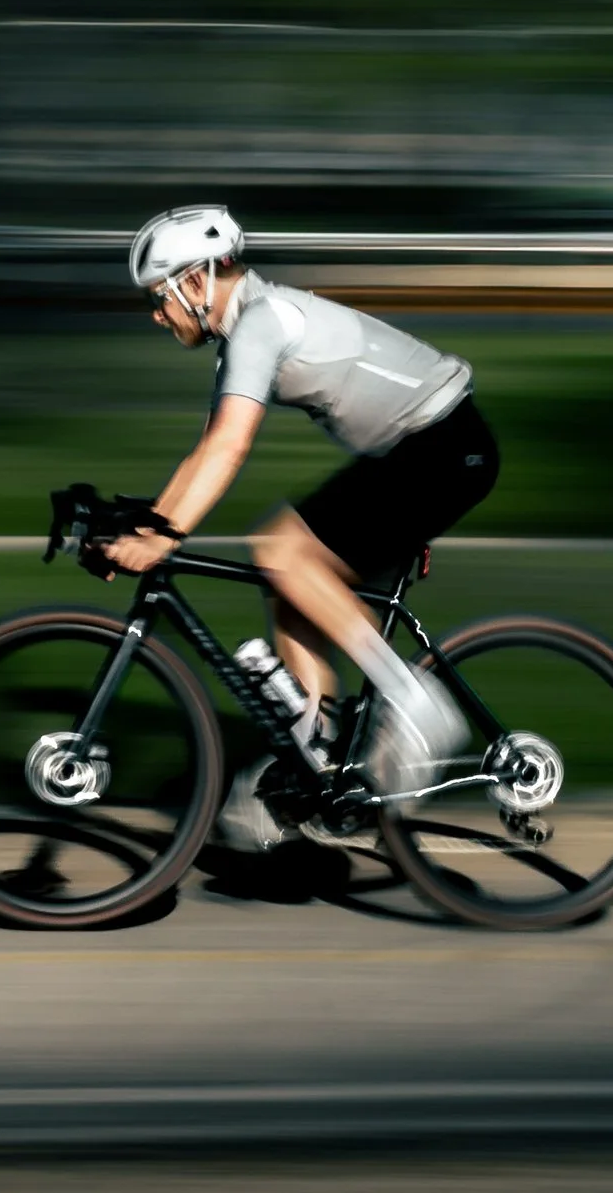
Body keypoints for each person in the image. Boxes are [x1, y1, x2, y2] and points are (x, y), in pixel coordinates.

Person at [97, 205, 500, 846]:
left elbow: (230, 448)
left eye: (159, 297)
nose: (156, 314)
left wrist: (164, 540)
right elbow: (206, 449)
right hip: (424, 453)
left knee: (281, 550)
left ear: (195, 283)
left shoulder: (262, 323)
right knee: (288, 578)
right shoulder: (249, 329)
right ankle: (322, 767)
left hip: (441, 449)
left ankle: (417, 706)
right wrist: (145, 524)